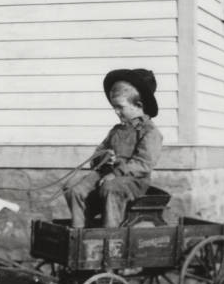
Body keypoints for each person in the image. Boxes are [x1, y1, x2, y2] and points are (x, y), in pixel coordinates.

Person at [64, 69, 164, 228]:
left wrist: (116, 173)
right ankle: (79, 234)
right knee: (73, 187)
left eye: (120, 107)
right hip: (105, 175)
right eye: (114, 107)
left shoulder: (150, 132)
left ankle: (110, 239)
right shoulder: (117, 130)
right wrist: (103, 158)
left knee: (111, 188)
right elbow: (98, 152)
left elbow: (143, 164)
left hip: (132, 181)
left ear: (138, 105)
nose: (116, 112)